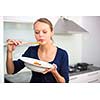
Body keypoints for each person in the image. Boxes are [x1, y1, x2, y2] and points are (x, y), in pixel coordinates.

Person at [6, 18, 69, 83]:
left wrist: (54, 72)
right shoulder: (31, 51)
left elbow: (64, 82)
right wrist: (9, 52)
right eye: (37, 32)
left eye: (44, 32)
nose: (40, 35)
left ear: (52, 32)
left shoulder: (62, 54)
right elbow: (11, 71)